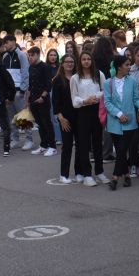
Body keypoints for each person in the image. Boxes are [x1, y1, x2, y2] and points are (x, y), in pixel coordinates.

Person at [103, 53, 139, 190]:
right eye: (127, 65)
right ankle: (127, 175)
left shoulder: (132, 81)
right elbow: (107, 102)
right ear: (119, 67)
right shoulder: (108, 83)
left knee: (122, 149)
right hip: (114, 122)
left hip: (130, 121)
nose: (130, 67)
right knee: (120, 151)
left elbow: (136, 99)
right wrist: (118, 114)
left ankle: (115, 178)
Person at [70, 51, 106, 186]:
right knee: (84, 144)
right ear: (80, 61)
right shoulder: (75, 78)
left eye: (88, 59)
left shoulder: (99, 74)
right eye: (83, 59)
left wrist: (95, 97)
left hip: (96, 110)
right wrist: (85, 101)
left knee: (98, 142)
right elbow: (74, 98)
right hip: (83, 111)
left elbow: (105, 91)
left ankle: (100, 171)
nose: (86, 61)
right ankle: (87, 174)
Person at [52, 54, 82, 184]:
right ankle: (63, 174)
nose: (70, 64)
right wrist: (61, 119)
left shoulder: (78, 78)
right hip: (65, 118)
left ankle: (79, 172)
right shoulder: (57, 80)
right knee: (67, 145)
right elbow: (55, 102)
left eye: (72, 62)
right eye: (67, 62)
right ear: (62, 64)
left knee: (80, 145)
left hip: (79, 116)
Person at [27, 46, 56, 156]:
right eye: (29, 55)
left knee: (47, 123)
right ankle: (44, 145)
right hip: (33, 99)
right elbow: (30, 85)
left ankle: (52, 146)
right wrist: (28, 100)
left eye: (32, 55)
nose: (30, 57)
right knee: (39, 124)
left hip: (43, 100)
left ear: (38, 55)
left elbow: (48, 85)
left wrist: (42, 97)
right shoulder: (31, 67)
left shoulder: (45, 67)